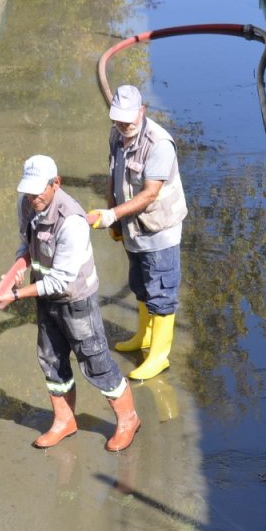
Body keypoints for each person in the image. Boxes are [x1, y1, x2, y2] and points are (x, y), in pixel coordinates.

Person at [0, 155, 141, 452]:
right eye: (28, 191)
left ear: (55, 183)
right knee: (51, 359)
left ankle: (128, 419)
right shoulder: (27, 203)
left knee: (96, 361)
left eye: (38, 191)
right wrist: (17, 269)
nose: (33, 198)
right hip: (45, 299)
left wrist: (16, 295)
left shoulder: (71, 220)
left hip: (75, 301)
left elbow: (61, 281)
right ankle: (64, 421)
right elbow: (26, 242)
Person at [86, 85, 187, 381]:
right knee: (139, 284)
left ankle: (159, 356)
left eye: (128, 119)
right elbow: (113, 175)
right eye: (117, 119)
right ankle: (142, 337)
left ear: (142, 111)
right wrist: (114, 218)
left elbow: (149, 194)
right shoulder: (117, 134)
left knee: (161, 291)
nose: (123, 125)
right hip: (132, 228)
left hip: (159, 230)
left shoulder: (159, 144)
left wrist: (112, 215)